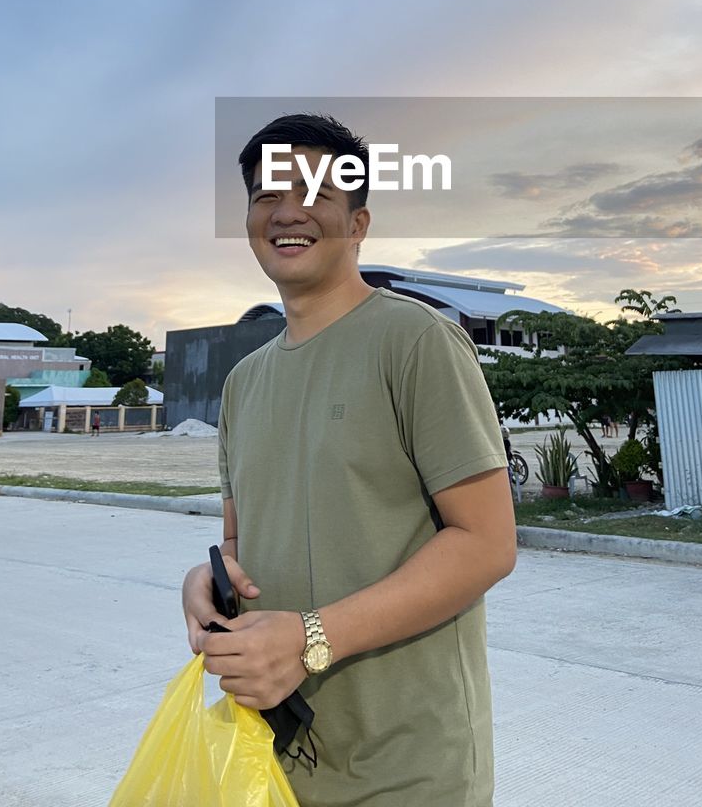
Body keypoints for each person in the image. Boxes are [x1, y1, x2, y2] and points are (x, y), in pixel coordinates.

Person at [181, 114, 516, 807]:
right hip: (271, 759)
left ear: (357, 225)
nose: (288, 212)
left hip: (405, 768)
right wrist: (207, 584)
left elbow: (487, 544)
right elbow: (242, 543)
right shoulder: (245, 381)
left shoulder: (416, 342)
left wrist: (307, 638)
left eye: (315, 194)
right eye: (267, 195)